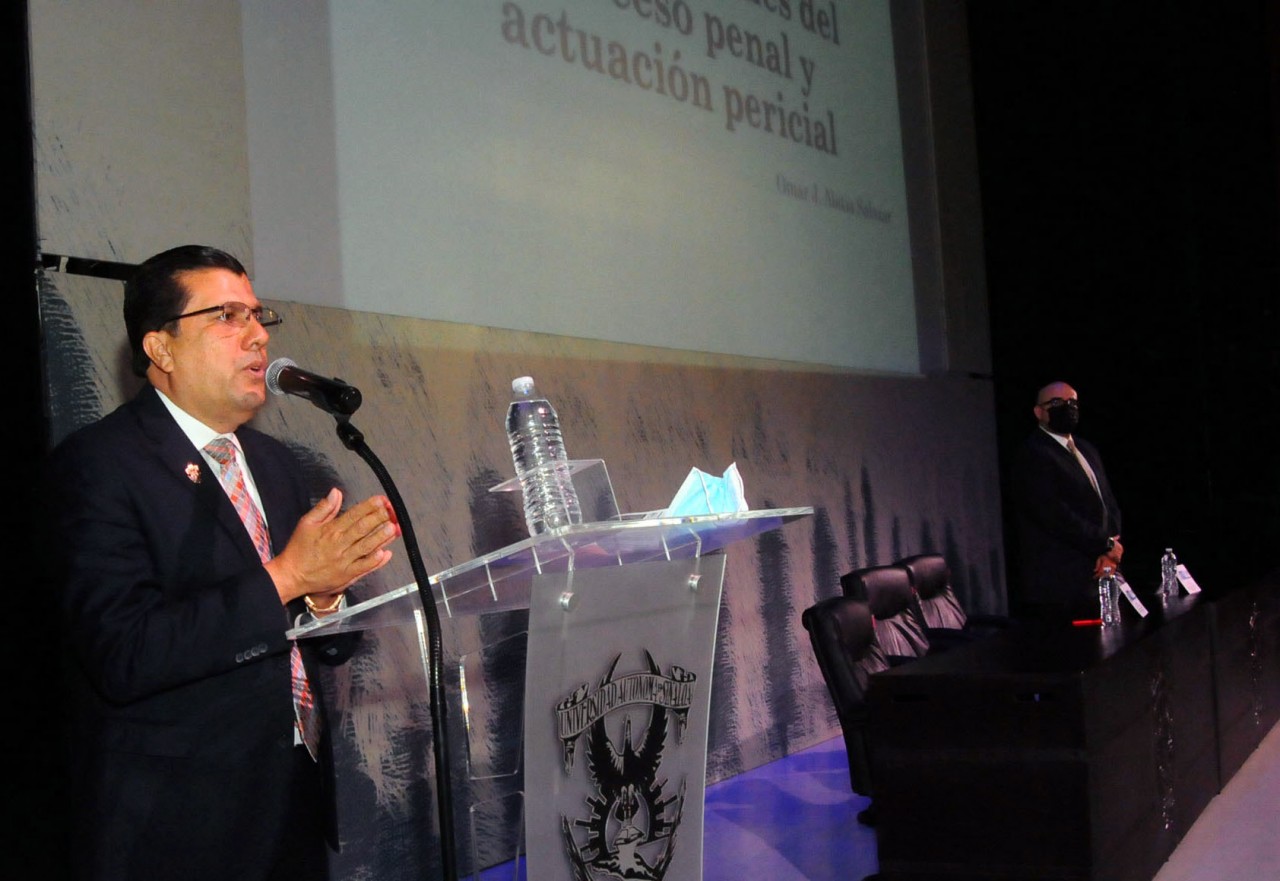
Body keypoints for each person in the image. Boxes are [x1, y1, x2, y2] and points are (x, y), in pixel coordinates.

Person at [42, 245, 400, 881]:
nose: (258, 335)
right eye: (227, 316)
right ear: (161, 348)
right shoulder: (98, 465)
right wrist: (290, 577)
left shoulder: (275, 463)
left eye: (258, 315)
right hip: (178, 828)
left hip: (292, 800)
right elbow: (124, 653)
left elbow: (321, 646)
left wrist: (325, 598)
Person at [1010, 380, 1123, 621]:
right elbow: (1055, 515)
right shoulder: (1033, 454)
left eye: (1072, 402)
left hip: (1099, 569)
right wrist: (1104, 544)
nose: (1067, 407)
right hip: (1061, 582)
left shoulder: (1086, 449)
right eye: (1056, 402)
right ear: (1039, 412)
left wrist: (1112, 545)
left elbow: (1106, 501)